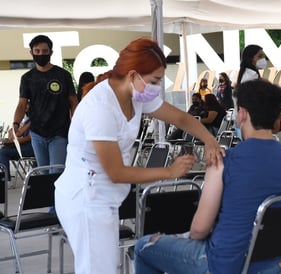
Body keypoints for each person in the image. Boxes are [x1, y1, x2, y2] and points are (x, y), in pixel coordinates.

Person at [54, 37, 223, 274]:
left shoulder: (137, 94)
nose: (157, 87)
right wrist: (169, 172)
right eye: (155, 80)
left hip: (105, 196)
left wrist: (210, 140)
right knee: (98, 270)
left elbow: (182, 118)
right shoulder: (100, 108)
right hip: (86, 197)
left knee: (104, 267)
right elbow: (116, 172)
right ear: (133, 75)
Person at [134, 79, 281, 274]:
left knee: (144, 247)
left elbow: (199, 230)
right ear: (277, 117)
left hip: (226, 264)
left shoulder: (224, 161)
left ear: (242, 114)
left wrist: (183, 237)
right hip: (276, 265)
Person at [10, 34, 78, 168]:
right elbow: (21, 105)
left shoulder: (63, 75)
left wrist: (76, 125)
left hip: (59, 132)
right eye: (37, 51)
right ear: (31, 53)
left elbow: (73, 102)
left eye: (45, 51)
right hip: (36, 134)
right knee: (42, 173)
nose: (41, 54)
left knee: (55, 172)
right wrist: (15, 125)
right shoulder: (27, 78)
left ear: (51, 52)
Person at [0, 119, 34, 183]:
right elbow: (18, 134)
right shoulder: (28, 121)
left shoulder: (37, 118)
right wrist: (14, 130)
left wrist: (11, 141)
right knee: (3, 150)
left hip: (32, 147)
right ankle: (4, 177)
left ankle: (5, 180)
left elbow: (28, 138)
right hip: (24, 146)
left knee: (3, 152)